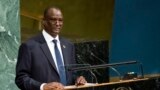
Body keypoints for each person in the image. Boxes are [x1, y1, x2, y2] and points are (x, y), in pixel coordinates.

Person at [15, 6, 87, 90]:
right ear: (44, 22)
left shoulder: (68, 46)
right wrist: (43, 86)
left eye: (60, 20)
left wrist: (78, 79)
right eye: (53, 20)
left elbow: (72, 73)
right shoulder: (29, 46)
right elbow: (21, 78)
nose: (57, 23)